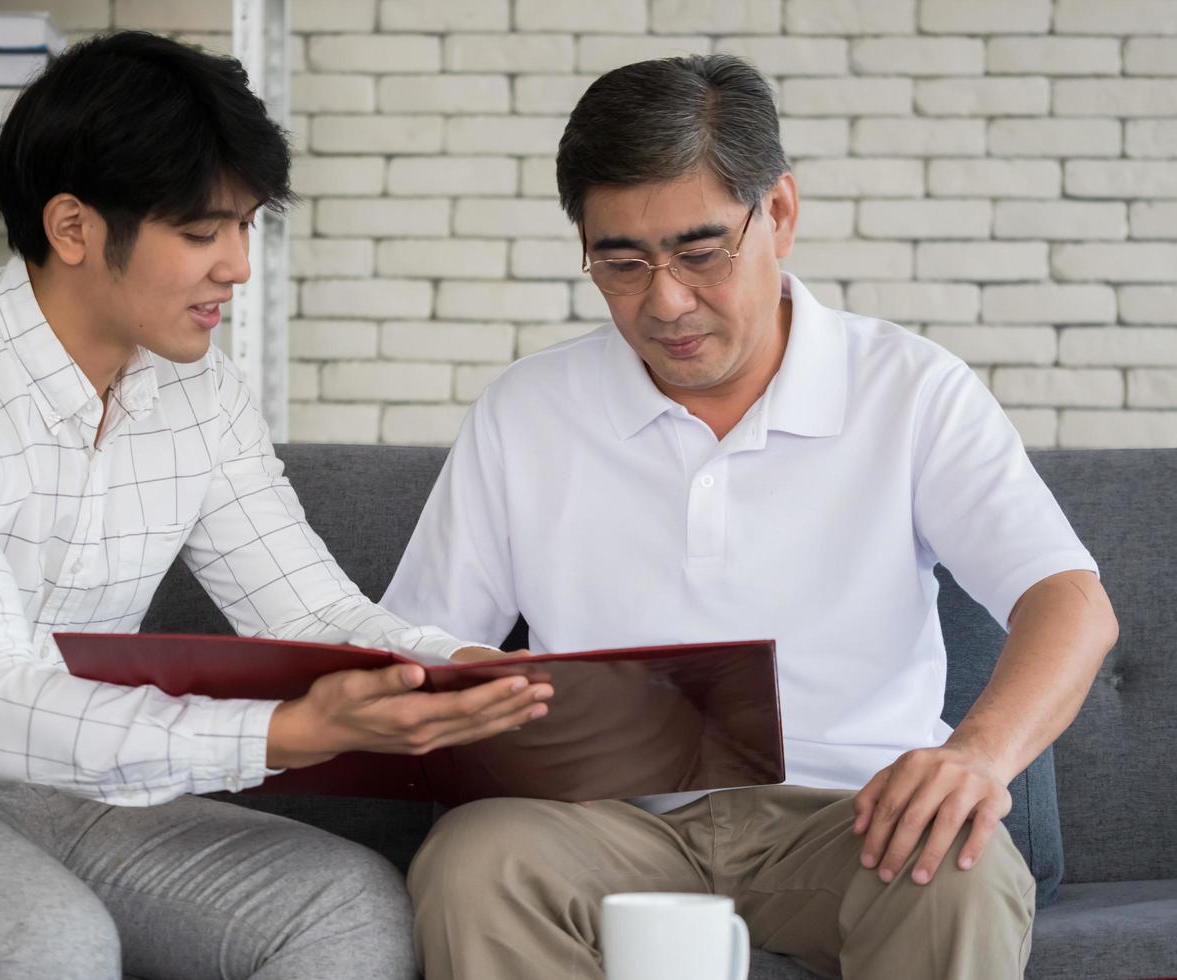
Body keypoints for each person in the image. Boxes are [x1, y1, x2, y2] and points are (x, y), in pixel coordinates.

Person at [0, 32, 552, 980]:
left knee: (346, 904)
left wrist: (466, 670)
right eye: (201, 233)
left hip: (81, 791)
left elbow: (311, 611)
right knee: (42, 940)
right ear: (72, 228)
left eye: (246, 225)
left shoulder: (203, 394)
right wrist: (283, 734)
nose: (236, 264)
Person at [383, 53, 1118, 980]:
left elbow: (1071, 602)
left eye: (699, 253)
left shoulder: (910, 388)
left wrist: (976, 757)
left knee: (955, 871)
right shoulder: (524, 411)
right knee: (474, 860)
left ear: (777, 213)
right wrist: (488, 687)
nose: (666, 303)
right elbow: (416, 642)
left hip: (852, 824)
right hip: (599, 826)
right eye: (620, 263)